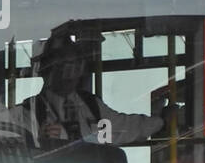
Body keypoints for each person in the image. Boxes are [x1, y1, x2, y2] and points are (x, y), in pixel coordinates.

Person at [23, 29, 166, 147]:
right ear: (46, 71)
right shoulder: (27, 112)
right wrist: (37, 141)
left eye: (76, 64)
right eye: (62, 64)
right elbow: (13, 149)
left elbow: (127, 127)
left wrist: (163, 121)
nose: (70, 72)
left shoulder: (92, 106)